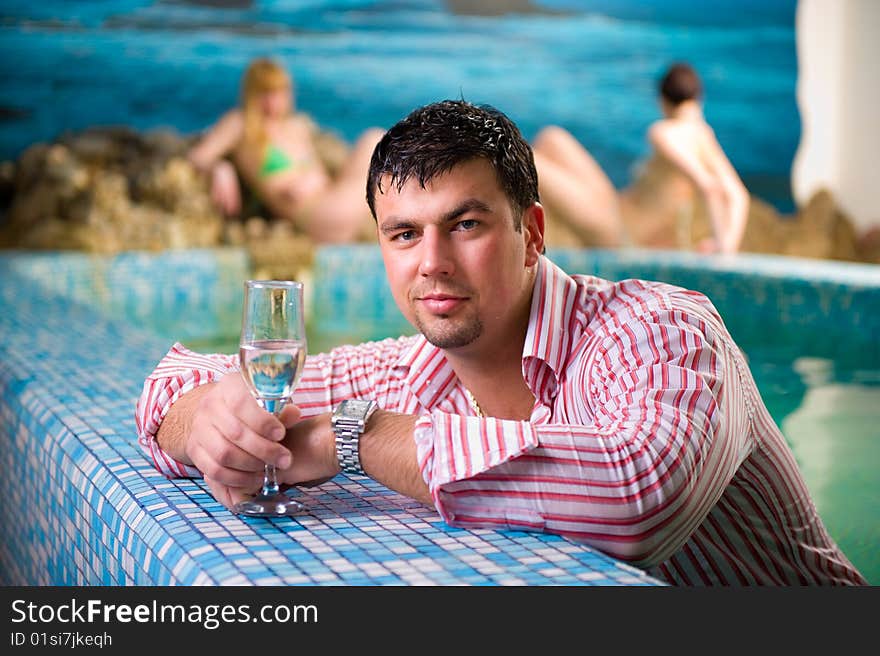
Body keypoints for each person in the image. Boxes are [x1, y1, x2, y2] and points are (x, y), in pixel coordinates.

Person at [136, 99, 865, 586]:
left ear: (533, 235)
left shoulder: (661, 330)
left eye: (466, 224)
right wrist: (209, 424)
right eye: (403, 235)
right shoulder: (411, 367)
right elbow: (173, 382)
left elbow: (634, 499)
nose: (432, 263)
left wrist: (353, 437)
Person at [533, 62, 750, 254]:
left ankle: (526, 239)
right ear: (698, 98)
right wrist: (726, 243)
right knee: (552, 138)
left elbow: (708, 187)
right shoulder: (703, 135)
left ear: (662, 101)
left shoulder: (662, 132)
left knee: (529, 157)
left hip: (618, 233)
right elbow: (737, 196)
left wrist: (722, 254)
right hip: (614, 209)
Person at [188, 57, 384, 243]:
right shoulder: (240, 123)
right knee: (378, 142)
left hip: (331, 200)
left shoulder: (296, 126)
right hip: (316, 218)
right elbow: (198, 157)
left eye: (279, 92)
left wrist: (315, 180)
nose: (273, 101)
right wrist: (221, 168)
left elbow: (319, 176)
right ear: (251, 94)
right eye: (265, 93)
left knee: (376, 139)